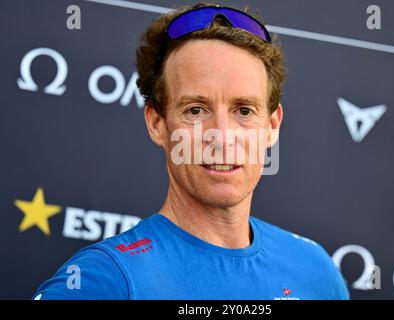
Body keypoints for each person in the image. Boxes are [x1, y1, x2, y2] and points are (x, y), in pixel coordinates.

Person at [33, 3, 349, 300]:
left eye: (244, 110)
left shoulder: (316, 270)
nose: (222, 138)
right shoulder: (103, 281)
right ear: (157, 123)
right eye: (196, 110)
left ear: (272, 125)